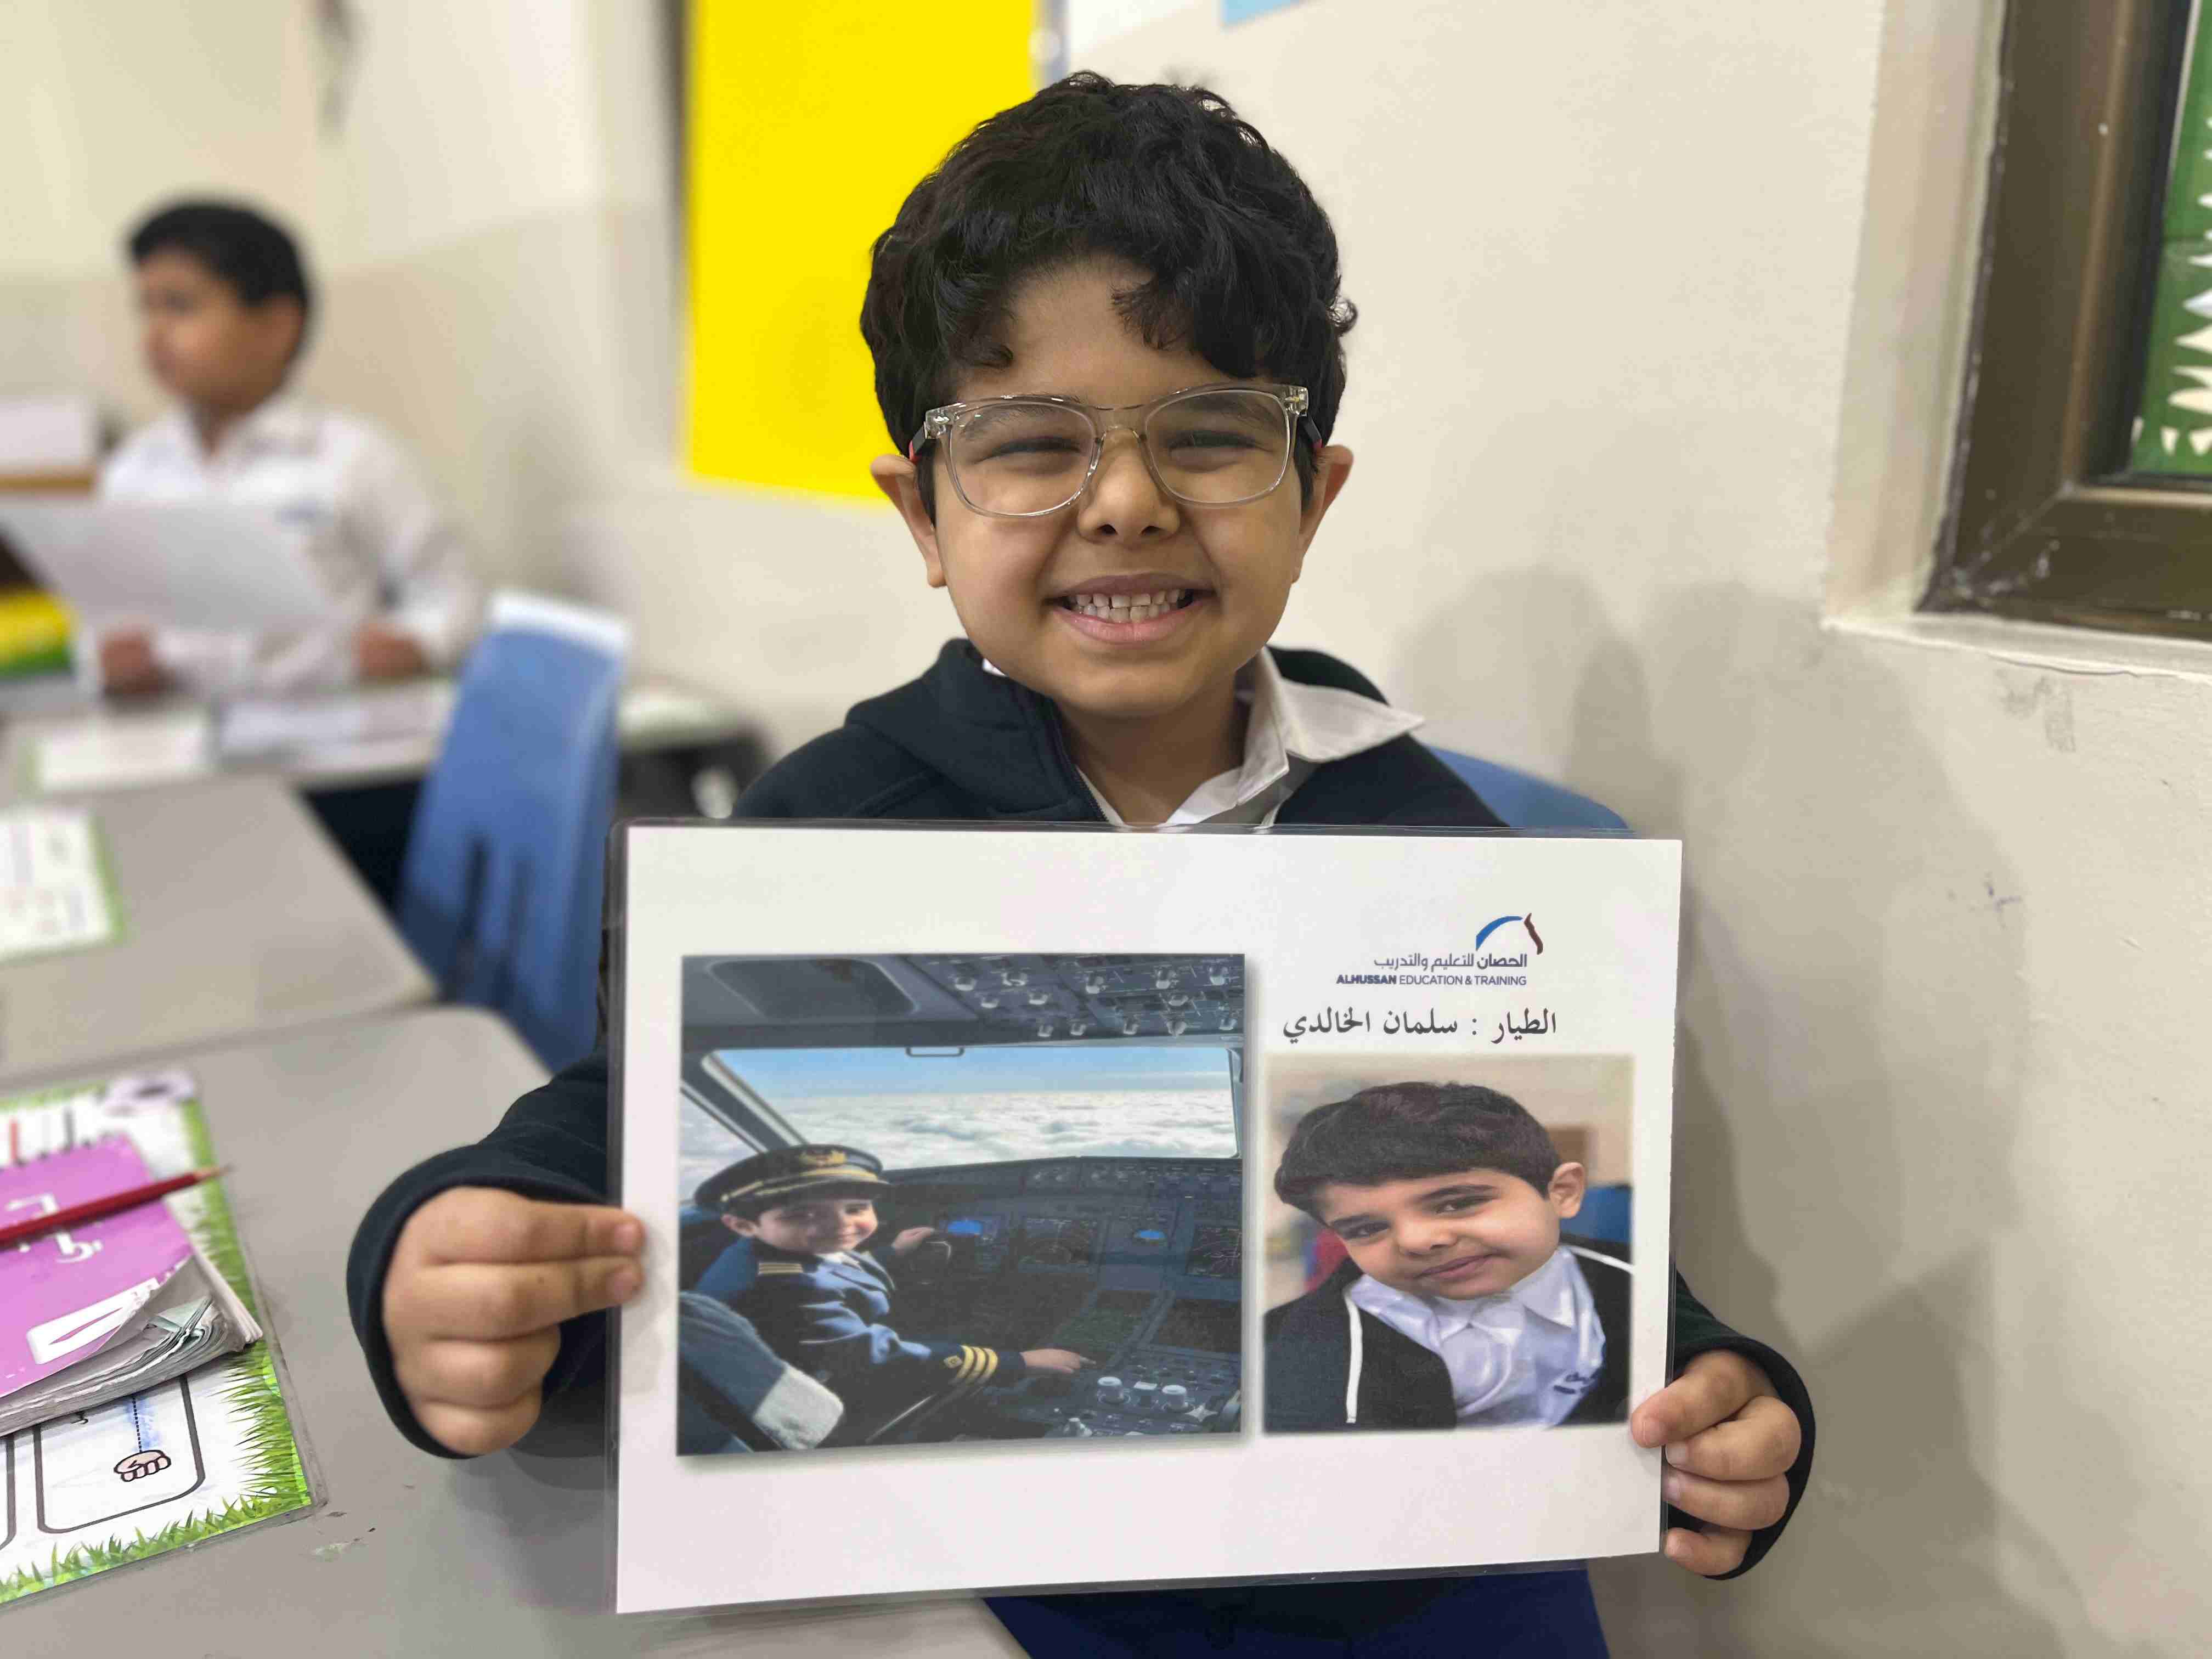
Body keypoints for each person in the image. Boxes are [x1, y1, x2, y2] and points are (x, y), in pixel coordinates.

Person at [349, 75, 1813, 1655]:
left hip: (1418, 1589)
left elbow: (1589, 1271)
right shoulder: (820, 825)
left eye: (1211, 436)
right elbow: (605, 1142)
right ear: (924, 515)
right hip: (1016, 1596)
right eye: (1033, 443)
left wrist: (1718, 1393)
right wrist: (451, 1250)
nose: (1125, 503)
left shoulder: (1437, 841)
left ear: (1312, 496)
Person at [95, 199, 479, 698]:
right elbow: (101, 626)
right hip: (175, 730)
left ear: (276, 326)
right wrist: (110, 664)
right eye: (146, 308)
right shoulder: (132, 471)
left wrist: (416, 643)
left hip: (332, 728)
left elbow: (455, 596)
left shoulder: (354, 457)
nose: (155, 334)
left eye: (180, 306)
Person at [1265, 1082, 1637, 1434]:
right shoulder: (1295, 1358)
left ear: (1562, 1193)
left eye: (1456, 1204)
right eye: (1367, 1229)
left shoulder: (1640, 1278)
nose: (1416, 1242)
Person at [689, 1143, 1084, 1443]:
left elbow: (830, 1268)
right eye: (802, 1214)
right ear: (742, 1224)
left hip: (808, 1358)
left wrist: (891, 1253)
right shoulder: (784, 1288)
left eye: (855, 1208)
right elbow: (879, 1358)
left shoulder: (772, 1250)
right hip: (828, 1393)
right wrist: (1017, 1362)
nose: (840, 1227)